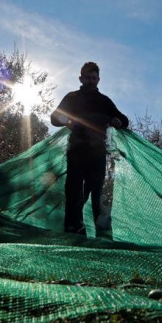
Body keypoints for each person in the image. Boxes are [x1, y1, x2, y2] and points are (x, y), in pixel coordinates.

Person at [50, 62, 130, 235]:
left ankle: (103, 235)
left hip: (98, 153)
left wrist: (119, 122)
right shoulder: (72, 98)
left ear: (98, 80)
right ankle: (73, 231)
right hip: (76, 152)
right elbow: (54, 118)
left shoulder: (104, 101)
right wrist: (69, 121)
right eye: (88, 77)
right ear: (81, 78)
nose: (91, 81)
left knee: (98, 194)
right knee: (73, 192)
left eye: (94, 78)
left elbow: (124, 119)